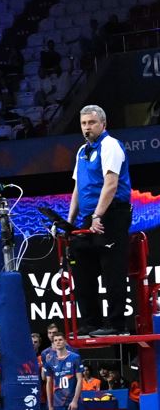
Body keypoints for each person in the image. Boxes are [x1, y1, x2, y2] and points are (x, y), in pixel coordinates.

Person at [68, 105, 133, 336]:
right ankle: (92, 322)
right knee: (81, 267)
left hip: (112, 214)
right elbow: (78, 188)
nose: (87, 128)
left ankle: (116, 324)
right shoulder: (81, 151)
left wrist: (98, 216)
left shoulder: (110, 145)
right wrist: (70, 222)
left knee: (112, 270)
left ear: (103, 124)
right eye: (84, 123)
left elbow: (111, 184)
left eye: (92, 123)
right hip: (88, 217)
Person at [42, 333, 85, 410]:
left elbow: (80, 380)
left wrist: (75, 400)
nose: (58, 342)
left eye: (60, 339)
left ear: (65, 341)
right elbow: (48, 383)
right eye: (55, 340)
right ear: (53, 343)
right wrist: (50, 405)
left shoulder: (75, 357)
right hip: (58, 401)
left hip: (73, 398)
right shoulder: (50, 361)